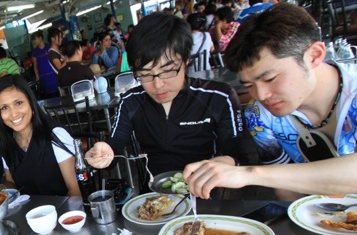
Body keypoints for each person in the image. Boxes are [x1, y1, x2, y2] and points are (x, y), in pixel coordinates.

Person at [183, 3, 357, 199]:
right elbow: (286, 191)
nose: (261, 95)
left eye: (270, 78)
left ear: (314, 55)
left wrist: (249, 173)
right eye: (249, 85)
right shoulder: (259, 115)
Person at [85, 12, 251, 188]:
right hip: (153, 196)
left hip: (204, 194)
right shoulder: (130, 101)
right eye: (145, 75)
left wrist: (225, 163)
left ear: (185, 60)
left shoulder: (219, 97)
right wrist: (105, 153)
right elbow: (116, 144)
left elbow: (238, 155)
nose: (157, 84)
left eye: (168, 71)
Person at [0, 75, 81, 197]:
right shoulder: (6, 143)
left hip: (66, 212)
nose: (14, 113)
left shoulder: (55, 136)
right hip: (30, 213)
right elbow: (11, 182)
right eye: (4, 107)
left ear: (31, 103)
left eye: (18, 103)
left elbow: (75, 190)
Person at [31, 30, 59, 97]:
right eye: (33, 40)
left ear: (40, 38)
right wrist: (37, 76)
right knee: (47, 96)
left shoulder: (49, 47)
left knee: (57, 94)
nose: (34, 41)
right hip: (43, 77)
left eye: (35, 39)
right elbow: (35, 65)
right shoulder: (35, 52)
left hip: (53, 76)